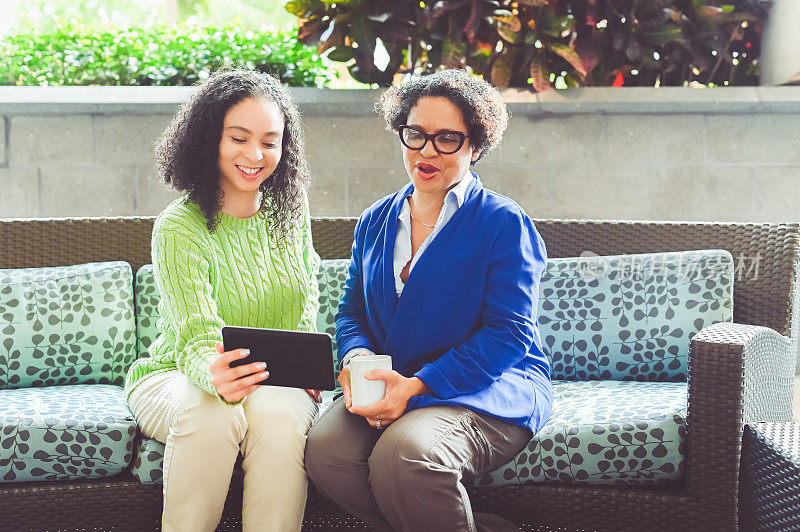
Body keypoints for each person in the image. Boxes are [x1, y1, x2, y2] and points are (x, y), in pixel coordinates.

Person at [305, 69, 552, 532]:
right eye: (416, 134)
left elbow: (510, 334)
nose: (426, 151)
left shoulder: (503, 223)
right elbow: (352, 311)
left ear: (475, 146)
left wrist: (416, 387)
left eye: (447, 139)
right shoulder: (375, 219)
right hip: (389, 380)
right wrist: (358, 359)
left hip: (488, 385)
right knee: (325, 452)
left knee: (407, 454)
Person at [124, 69, 321, 532]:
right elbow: (196, 336)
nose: (255, 155)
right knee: (211, 412)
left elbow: (306, 300)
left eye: (270, 141)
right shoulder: (179, 226)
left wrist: (309, 370)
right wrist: (213, 376)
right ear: (209, 139)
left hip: (275, 380)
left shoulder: (290, 211)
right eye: (239, 138)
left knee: (279, 419)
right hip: (176, 375)